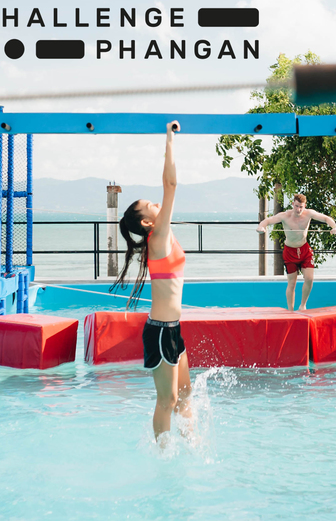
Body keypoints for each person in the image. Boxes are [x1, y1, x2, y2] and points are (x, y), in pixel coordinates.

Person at [111, 121, 191, 443]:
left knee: (185, 394)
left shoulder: (163, 237)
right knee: (167, 400)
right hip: (160, 331)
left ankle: (192, 444)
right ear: (147, 221)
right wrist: (169, 139)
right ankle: (163, 455)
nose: (159, 205)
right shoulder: (157, 238)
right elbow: (171, 184)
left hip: (173, 328)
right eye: (152, 206)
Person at [257, 193, 336, 310]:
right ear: (293, 204)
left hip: (304, 249)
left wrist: (334, 227)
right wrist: (261, 227)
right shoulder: (285, 216)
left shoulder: (309, 214)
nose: (298, 209)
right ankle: (290, 310)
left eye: (301, 207)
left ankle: (302, 305)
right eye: (296, 206)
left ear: (304, 206)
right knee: (292, 283)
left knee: (309, 279)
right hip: (289, 251)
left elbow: (326, 218)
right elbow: (267, 221)